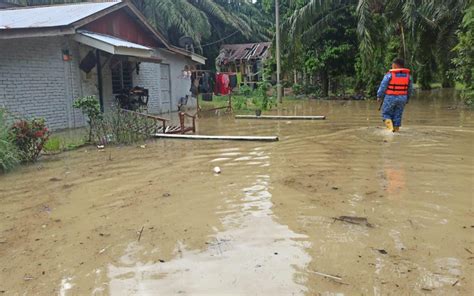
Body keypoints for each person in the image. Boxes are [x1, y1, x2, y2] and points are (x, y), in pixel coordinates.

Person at [377, 58, 414, 132]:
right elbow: (410, 89)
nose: (392, 66)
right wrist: (407, 99)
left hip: (390, 97)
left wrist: (379, 96)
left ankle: (390, 130)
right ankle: (396, 131)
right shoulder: (408, 76)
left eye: (392, 64)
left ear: (395, 65)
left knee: (386, 114)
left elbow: (383, 86)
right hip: (402, 98)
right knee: (398, 115)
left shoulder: (389, 75)